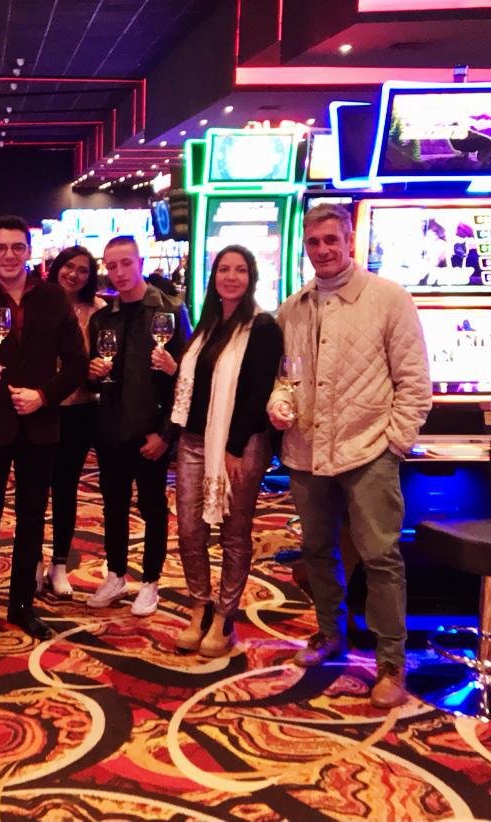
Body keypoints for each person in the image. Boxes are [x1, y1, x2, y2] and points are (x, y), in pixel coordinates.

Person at [268, 203, 431, 709]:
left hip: (369, 450)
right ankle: (330, 633)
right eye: (313, 242)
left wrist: (393, 443)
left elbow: (415, 383)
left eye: (330, 240)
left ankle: (390, 662)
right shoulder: (293, 307)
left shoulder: (388, 298)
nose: (322, 250)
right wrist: (279, 402)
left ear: (349, 240)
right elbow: (284, 376)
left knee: (381, 558)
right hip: (305, 450)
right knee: (317, 550)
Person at [0, 215, 87, 649]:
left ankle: (22, 605)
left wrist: (43, 396)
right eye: (0, 248)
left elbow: (77, 364)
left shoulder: (53, 297)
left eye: (17, 247)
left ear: (29, 251)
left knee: (32, 518)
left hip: (40, 423)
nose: (8, 255)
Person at [160, 245, 283, 656]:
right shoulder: (208, 323)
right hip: (194, 441)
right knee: (190, 530)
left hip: (240, 444)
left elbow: (256, 394)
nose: (231, 277)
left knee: (234, 532)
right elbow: (198, 384)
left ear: (252, 278)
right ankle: (200, 606)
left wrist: (233, 447)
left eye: (240, 270)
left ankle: (225, 616)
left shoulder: (262, 327)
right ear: (213, 277)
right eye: (224, 270)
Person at [86, 235, 186, 616]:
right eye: (111, 266)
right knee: (113, 506)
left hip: (150, 432)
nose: (119, 272)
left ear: (140, 262)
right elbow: (97, 379)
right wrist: (93, 374)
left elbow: (186, 380)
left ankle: (150, 581)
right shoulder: (103, 317)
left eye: (126, 263)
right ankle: (116, 574)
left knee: (152, 508)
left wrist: (166, 435)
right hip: (111, 430)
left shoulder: (170, 311)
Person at [36, 246, 104, 599]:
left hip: (80, 408)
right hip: (41, 405)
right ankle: (32, 560)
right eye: (68, 267)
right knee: (34, 488)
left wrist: (100, 369)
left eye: (82, 270)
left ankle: (59, 564)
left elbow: (109, 357)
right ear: (56, 268)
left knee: (65, 488)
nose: (73, 274)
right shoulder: (37, 302)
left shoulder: (99, 310)